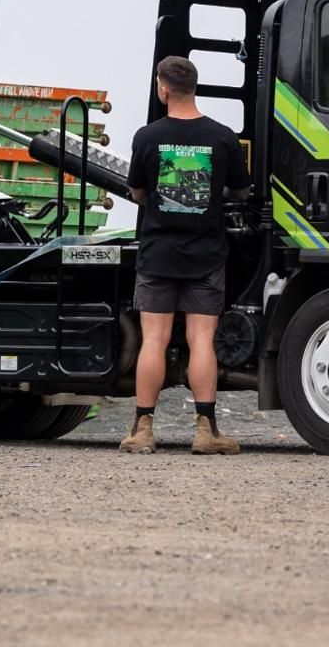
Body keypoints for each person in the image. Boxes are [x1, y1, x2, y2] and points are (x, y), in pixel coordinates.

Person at [119, 55, 248, 454]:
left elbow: (138, 191)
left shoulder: (147, 136)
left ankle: (142, 430)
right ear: (195, 87)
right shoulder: (223, 137)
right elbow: (241, 192)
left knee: (153, 340)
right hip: (206, 255)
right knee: (201, 341)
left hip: (159, 254)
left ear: (162, 89)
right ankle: (206, 431)